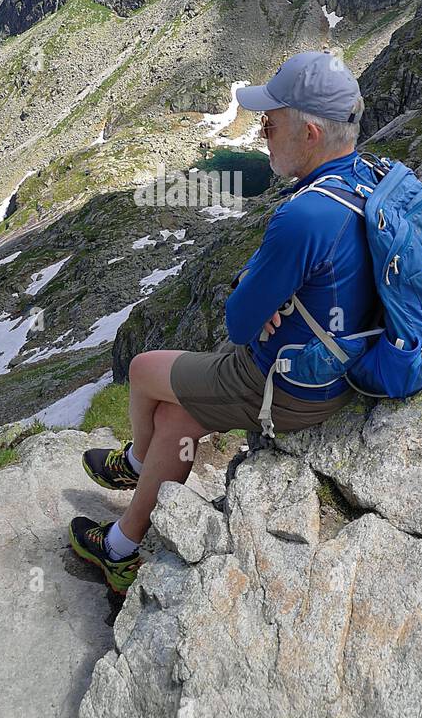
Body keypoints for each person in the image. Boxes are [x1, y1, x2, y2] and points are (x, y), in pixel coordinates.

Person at [69, 51, 377, 594]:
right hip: (342, 367)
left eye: (271, 120)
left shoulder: (306, 214)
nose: (261, 129)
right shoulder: (368, 178)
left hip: (290, 385)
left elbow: (239, 322)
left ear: (308, 132)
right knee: (179, 421)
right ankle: (122, 545)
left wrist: (261, 298)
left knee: (144, 370)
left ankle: (136, 465)